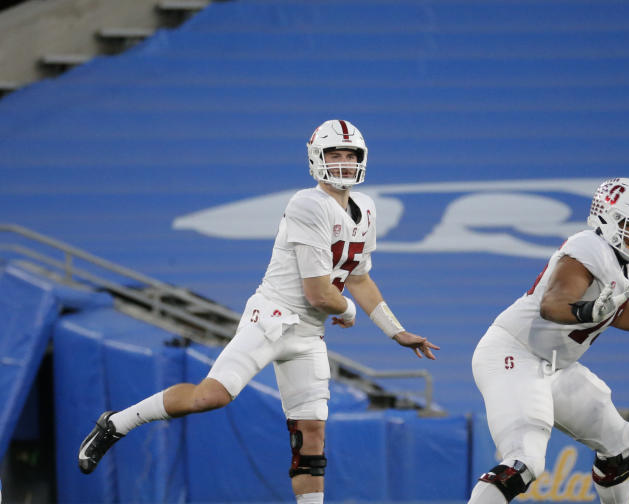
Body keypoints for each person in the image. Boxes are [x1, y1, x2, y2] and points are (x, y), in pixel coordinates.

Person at [77, 119, 439, 504]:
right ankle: (117, 422)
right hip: (272, 318)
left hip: (309, 333)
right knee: (211, 397)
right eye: (335, 153)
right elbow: (318, 293)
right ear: (317, 158)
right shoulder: (307, 204)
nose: (344, 162)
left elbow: (360, 277)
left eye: (351, 155)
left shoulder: (365, 208)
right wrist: (348, 311)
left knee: (311, 435)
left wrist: (395, 331)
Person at [468, 177, 629, 504]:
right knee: (524, 461)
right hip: (516, 353)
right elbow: (552, 304)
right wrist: (589, 310)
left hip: (555, 365)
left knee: (619, 442)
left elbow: (616, 310)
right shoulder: (587, 248)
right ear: (608, 219)